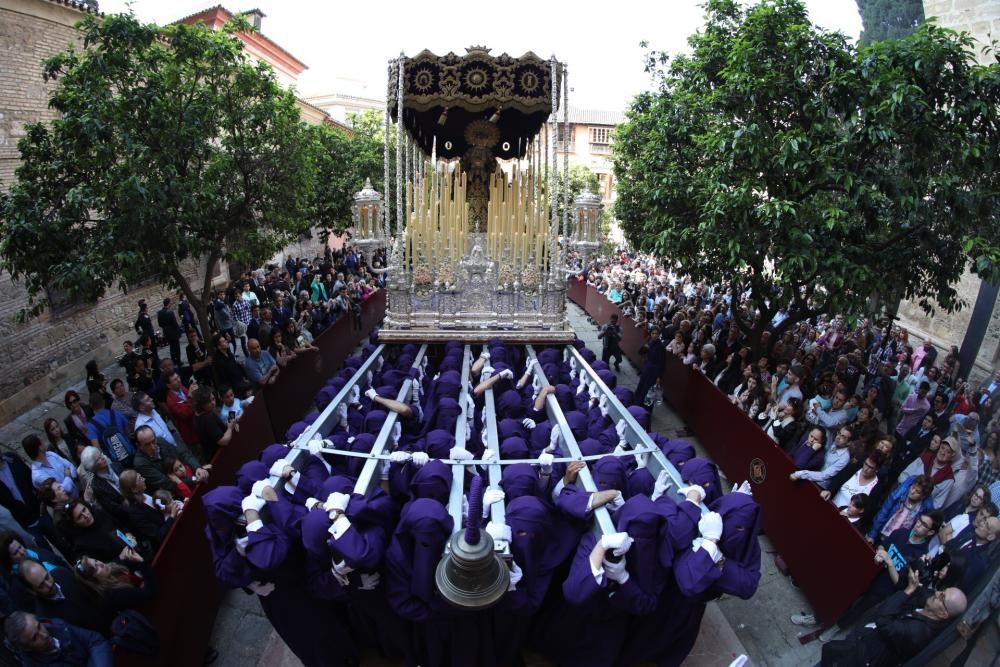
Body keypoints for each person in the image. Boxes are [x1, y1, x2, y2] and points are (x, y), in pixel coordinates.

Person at [821, 569, 966, 666]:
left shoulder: (918, 632)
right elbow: (919, 591)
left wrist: (908, 590)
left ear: (943, 614)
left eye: (942, 597)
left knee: (829, 650)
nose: (937, 594)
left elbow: (884, 620)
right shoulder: (929, 607)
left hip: (865, 655)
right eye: (941, 591)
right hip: (864, 639)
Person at [3, 611, 113, 667]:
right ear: (27, 648)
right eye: (35, 637)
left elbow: (96, 640)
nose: (44, 635)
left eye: (39, 626)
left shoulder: (57, 625)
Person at [132, 424, 207, 496]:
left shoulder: (160, 441)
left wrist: (197, 467)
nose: (152, 446)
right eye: (147, 444)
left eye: (153, 441)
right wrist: (195, 478)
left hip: (190, 479)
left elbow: (182, 454)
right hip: (175, 495)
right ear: (139, 446)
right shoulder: (140, 463)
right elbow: (167, 483)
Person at [84, 393, 135, 471]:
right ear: (103, 402)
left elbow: (97, 448)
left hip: (115, 462)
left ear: (91, 406)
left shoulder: (91, 425)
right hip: (130, 453)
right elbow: (129, 433)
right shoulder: (116, 413)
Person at [193, 386, 238, 462]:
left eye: (213, 399)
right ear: (201, 404)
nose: (213, 403)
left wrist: (229, 425)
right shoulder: (208, 418)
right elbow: (224, 441)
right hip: (220, 457)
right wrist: (230, 427)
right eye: (209, 402)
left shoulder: (197, 415)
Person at [634, 327, 666, 408]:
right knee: (642, 384)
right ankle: (637, 402)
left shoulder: (661, 347)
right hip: (647, 367)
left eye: (656, 334)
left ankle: (644, 406)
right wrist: (645, 345)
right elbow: (640, 352)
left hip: (654, 371)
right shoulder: (649, 342)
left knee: (648, 388)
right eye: (653, 333)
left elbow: (662, 363)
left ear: (659, 335)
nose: (654, 335)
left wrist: (659, 376)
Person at [157, 297, 183, 366]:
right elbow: (174, 323)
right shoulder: (170, 312)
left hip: (166, 332)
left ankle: (173, 360)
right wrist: (179, 330)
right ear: (168, 304)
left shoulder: (159, 313)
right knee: (176, 347)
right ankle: (178, 361)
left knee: (171, 347)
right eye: (170, 303)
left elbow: (160, 324)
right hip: (173, 332)